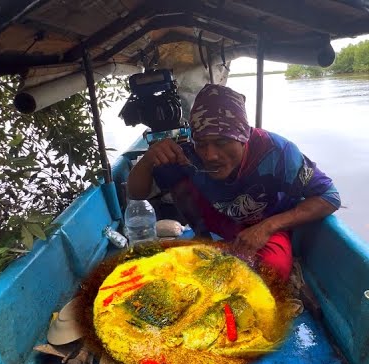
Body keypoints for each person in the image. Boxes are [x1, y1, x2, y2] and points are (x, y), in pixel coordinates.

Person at [126, 83, 341, 280]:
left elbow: (330, 197)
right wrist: (147, 159)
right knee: (180, 183)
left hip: (267, 223)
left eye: (222, 142)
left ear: (243, 137)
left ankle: (224, 247)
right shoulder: (187, 151)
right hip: (217, 220)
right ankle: (204, 239)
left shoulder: (278, 152)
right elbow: (136, 194)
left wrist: (266, 228)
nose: (210, 155)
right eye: (202, 143)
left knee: (272, 272)